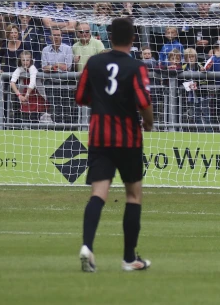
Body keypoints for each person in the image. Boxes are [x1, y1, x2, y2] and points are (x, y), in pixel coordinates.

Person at [75, 17, 154, 273]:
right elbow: (143, 102)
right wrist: (149, 123)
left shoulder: (94, 62)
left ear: (109, 37)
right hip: (128, 138)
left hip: (99, 136)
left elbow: (80, 97)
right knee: (133, 195)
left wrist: (102, 105)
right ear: (133, 39)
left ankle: (87, 246)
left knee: (98, 194)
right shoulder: (136, 67)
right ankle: (129, 258)